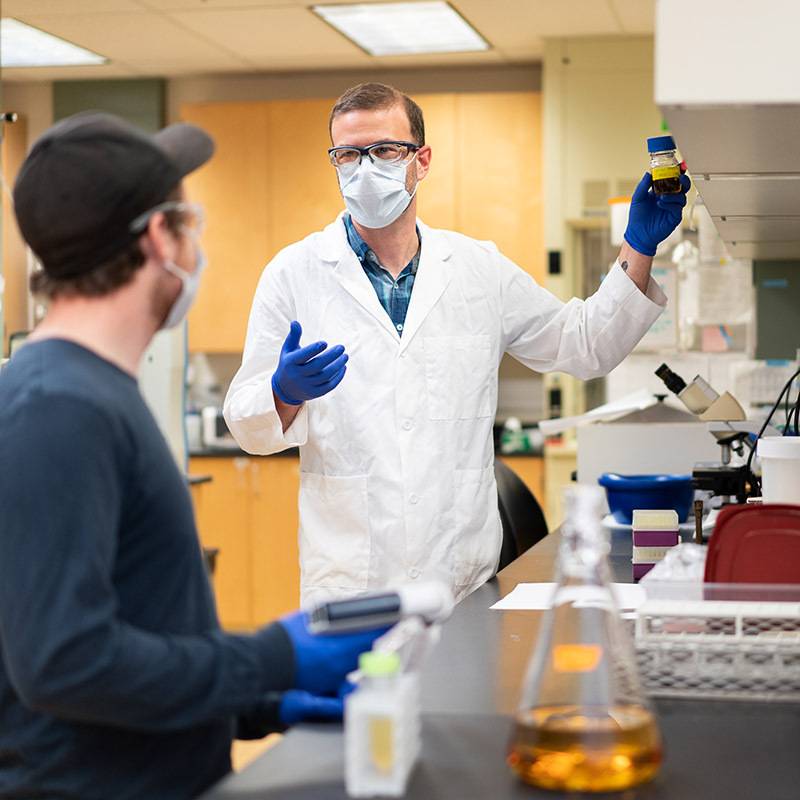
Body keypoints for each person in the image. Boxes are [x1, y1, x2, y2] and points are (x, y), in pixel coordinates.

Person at [0, 112, 383, 800]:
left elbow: (136, 635)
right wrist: (274, 657)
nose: (196, 245)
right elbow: (63, 663)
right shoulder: (59, 407)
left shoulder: (89, 391)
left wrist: (259, 703)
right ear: (158, 237)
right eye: (188, 222)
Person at [224, 82, 690, 606]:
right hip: (352, 583)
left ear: (421, 160)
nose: (364, 169)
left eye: (384, 150)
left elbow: (585, 345)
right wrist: (282, 393)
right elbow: (246, 423)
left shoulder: (477, 269)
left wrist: (638, 246)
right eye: (348, 155)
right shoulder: (294, 274)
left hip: (460, 578)